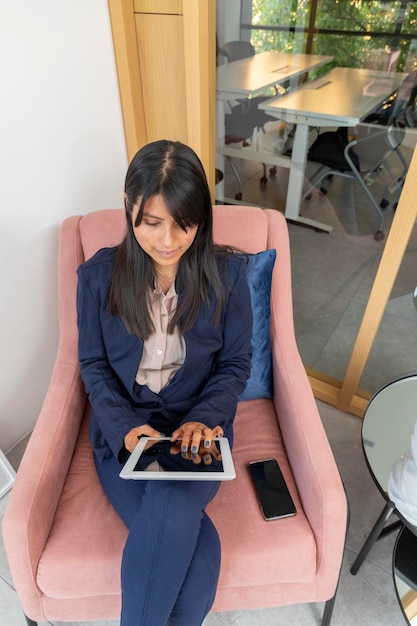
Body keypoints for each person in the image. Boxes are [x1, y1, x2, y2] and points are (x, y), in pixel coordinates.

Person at [76, 139, 253, 626]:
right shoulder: (96, 278)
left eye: (184, 222)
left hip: (197, 430)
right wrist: (124, 427)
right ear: (129, 208)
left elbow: (235, 364)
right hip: (125, 433)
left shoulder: (230, 275)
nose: (169, 239)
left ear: (202, 218)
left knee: (174, 503)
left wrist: (203, 417)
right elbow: (92, 364)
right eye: (152, 222)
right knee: (198, 560)